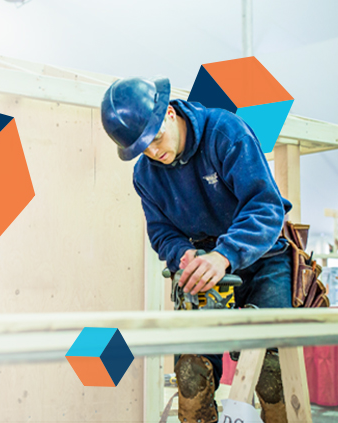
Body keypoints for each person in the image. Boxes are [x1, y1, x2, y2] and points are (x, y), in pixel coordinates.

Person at [101, 77, 293, 423]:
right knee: (191, 374)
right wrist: (180, 255)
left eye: (156, 138)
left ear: (170, 113)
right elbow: (161, 231)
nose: (154, 152)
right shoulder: (146, 175)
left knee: (271, 373)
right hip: (203, 266)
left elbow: (266, 208)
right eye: (142, 148)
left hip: (262, 258)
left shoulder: (225, 133)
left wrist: (224, 254)